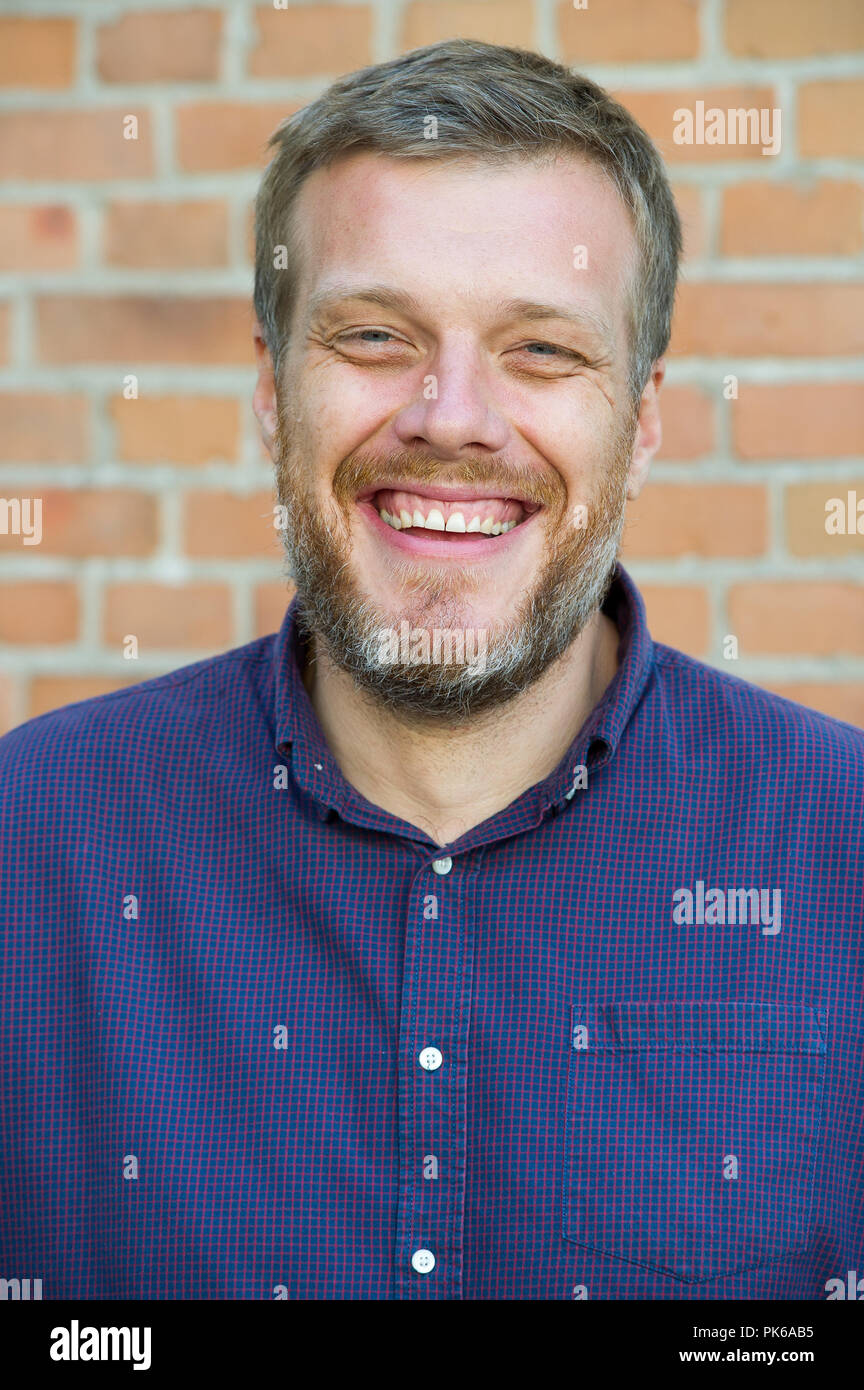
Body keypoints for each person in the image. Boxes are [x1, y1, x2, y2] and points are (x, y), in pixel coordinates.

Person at [1, 39, 861, 1302]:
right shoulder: (34, 843)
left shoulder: (840, 845)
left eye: (542, 351)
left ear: (645, 423)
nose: (451, 415)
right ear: (269, 391)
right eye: (371, 333)